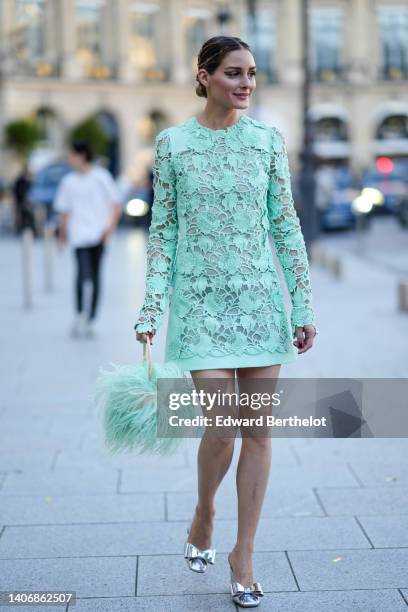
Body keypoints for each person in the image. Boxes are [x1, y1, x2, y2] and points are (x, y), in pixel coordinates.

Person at [134, 36, 318, 608]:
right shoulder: (173, 146)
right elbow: (162, 232)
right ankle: (204, 511)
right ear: (205, 75)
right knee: (220, 428)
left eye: (253, 74)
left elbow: (284, 226)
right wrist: (151, 307)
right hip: (199, 307)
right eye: (234, 73)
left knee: (258, 431)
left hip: (261, 303)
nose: (246, 83)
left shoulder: (266, 142)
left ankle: (245, 553)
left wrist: (303, 305)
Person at [54, 140, 122, 338]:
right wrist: (61, 236)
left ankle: (91, 317)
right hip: (78, 236)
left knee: (96, 275)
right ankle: (79, 314)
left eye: (71, 155)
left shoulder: (101, 177)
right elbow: (64, 212)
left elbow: (116, 204)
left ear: (81, 155)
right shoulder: (68, 182)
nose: (69, 159)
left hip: (98, 235)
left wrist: (109, 229)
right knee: (83, 274)